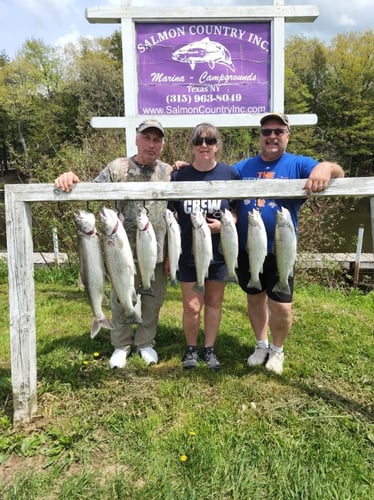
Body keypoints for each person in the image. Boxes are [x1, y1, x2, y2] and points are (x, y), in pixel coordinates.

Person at [55, 119, 173, 369]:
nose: (151, 144)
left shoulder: (169, 171)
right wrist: (70, 178)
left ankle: (145, 342)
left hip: (155, 250)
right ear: (137, 139)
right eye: (147, 138)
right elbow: (92, 190)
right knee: (120, 297)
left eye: (157, 139)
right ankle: (121, 344)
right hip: (119, 251)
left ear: (162, 144)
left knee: (152, 300)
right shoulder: (117, 168)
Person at [234, 112, 344, 375]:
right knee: (254, 297)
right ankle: (261, 345)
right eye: (266, 132)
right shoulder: (242, 168)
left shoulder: (297, 164)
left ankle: (277, 349)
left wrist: (325, 167)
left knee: (282, 305)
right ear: (260, 137)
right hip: (248, 247)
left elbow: (338, 171)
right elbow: (215, 177)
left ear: (287, 135)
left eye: (278, 131)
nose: (272, 136)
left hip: (281, 249)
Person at [168, 123, 239, 370]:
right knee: (191, 305)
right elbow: (171, 215)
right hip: (189, 252)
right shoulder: (178, 177)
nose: (204, 146)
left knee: (214, 302)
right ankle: (191, 349)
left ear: (217, 146)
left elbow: (238, 211)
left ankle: (209, 349)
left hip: (219, 253)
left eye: (209, 141)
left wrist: (224, 226)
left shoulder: (230, 174)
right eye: (199, 141)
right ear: (192, 146)